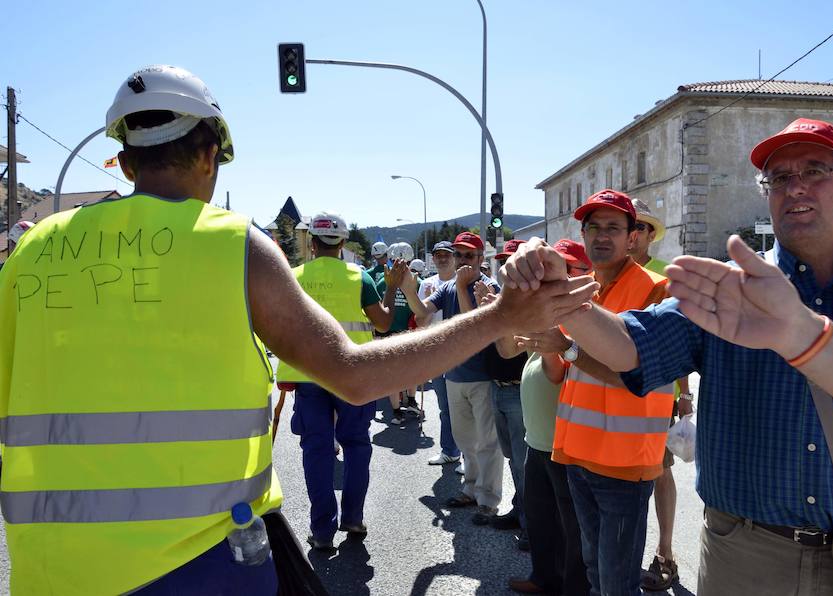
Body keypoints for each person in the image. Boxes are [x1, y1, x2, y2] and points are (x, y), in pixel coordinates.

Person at [0, 64, 598, 595]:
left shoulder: (31, 253)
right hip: (201, 563)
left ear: (125, 160)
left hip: (50, 571)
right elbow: (356, 375)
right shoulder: (231, 244)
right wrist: (499, 318)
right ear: (211, 154)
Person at [500, 118, 833, 596]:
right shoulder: (725, 290)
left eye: (814, 171)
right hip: (746, 554)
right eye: (779, 178)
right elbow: (632, 346)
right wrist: (559, 292)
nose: (795, 188)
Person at [547, 190, 674, 596]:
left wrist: (562, 345)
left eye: (614, 229)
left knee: (616, 581)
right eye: (595, 228)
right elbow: (565, 372)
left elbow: (636, 375)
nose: (603, 237)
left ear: (632, 237)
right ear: (582, 234)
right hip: (578, 455)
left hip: (622, 463)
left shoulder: (657, 290)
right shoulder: (585, 289)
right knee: (595, 572)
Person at [667, 234, 833, 432]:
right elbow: (638, 340)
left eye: (816, 176)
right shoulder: (729, 286)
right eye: (778, 179)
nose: (796, 188)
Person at [276, 211, 399, 551]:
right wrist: (390, 290)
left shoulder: (293, 277)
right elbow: (385, 324)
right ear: (343, 243)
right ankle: (353, 518)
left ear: (312, 244)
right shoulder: (359, 278)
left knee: (316, 450)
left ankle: (322, 531)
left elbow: (281, 327)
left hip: (309, 376)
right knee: (356, 445)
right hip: (352, 375)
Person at [502, 239, 592, 596]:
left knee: (570, 527)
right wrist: (508, 309)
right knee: (540, 519)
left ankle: (569, 588)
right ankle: (543, 579)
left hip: (564, 444)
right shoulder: (548, 312)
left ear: (586, 275)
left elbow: (556, 373)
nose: (560, 279)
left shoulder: (583, 315)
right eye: (559, 270)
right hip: (537, 439)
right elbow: (508, 348)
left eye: (570, 270)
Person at [402, 231, 505, 521]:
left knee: (487, 441)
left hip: (483, 377)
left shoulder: (489, 286)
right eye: (458, 255)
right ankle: (470, 489)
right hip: (455, 376)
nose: (462, 261)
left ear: (480, 258)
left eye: (468, 256)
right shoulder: (447, 287)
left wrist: (460, 287)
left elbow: (473, 327)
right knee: (465, 440)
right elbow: (422, 313)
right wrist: (410, 289)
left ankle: (488, 499)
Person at [627, 198, 693, 591]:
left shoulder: (664, 276)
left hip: (656, 395)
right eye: (627, 225)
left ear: (651, 235)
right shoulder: (605, 274)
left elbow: (678, 340)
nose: (633, 233)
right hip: (611, 398)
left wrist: (684, 394)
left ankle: (665, 554)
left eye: (640, 227)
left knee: (659, 474)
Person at [471, 239, 529, 542]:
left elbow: (515, 347)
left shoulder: (529, 300)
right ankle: (521, 511)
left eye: (512, 260)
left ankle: (531, 524)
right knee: (512, 458)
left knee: (524, 461)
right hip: (499, 389)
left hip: (519, 392)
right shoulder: (500, 299)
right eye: (503, 261)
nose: (506, 266)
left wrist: (494, 309)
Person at [418, 241, 463, 469]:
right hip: (436, 356)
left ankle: (468, 457)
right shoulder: (426, 284)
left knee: (464, 409)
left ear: (454, 258)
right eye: (438, 255)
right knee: (445, 408)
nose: (442, 259)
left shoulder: (462, 282)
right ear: (432, 259)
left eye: (447, 255)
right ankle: (450, 451)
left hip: (461, 354)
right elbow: (420, 323)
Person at [376, 242, 422, 424]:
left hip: (407, 331)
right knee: (396, 374)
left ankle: (407, 402)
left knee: (407, 371)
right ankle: (398, 408)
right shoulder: (384, 281)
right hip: (393, 332)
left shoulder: (415, 281)